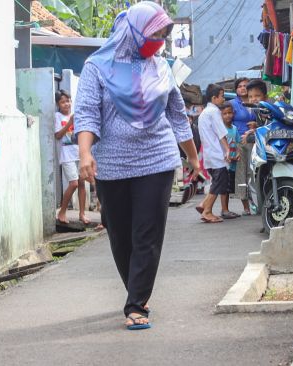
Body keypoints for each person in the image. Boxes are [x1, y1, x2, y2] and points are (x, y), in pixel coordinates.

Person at [74, 2, 200, 331]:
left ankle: (137, 302)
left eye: (162, 35)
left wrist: (192, 156)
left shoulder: (160, 68)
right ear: (134, 31)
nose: (159, 41)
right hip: (112, 163)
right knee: (120, 235)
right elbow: (87, 112)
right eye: (154, 34)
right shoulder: (97, 67)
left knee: (147, 233)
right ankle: (135, 288)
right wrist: (85, 153)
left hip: (157, 158)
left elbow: (177, 115)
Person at [196, 83, 234, 223]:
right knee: (219, 183)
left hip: (209, 153)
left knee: (216, 182)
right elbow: (221, 133)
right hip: (216, 154)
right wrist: (228, 149)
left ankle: (203, 205)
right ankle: (207, 211)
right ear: (214, 98)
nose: (223, 99)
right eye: (222, 96)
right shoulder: (214, 112)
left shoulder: (204, 113)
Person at [54, 90, 90, 225]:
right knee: (73, 183)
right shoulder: (58, 116)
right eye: (63, 102)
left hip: (79, 153)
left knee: (82, 183)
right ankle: (62, 212)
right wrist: (69, 123)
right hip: (67, 156)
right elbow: (58, 135)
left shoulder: (77, 116)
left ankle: (82, 214)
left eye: (68, 101)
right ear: (58, 104)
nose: (66, 104)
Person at [231, 78, 257, 215]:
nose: (243, 88)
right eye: (240, 86)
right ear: (236, 89)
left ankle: (257, 202)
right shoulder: (233, 104)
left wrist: (255, 125)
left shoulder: (254, 102)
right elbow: (226, 121)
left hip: (255, 140)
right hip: (240, 142)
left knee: (253, 173)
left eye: (245, 86)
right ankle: (246, 206)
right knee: (242, 173)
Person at [221, 102, 241, 218]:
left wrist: (237, 153)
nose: (228, 115)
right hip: (224, 162)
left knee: (229, 187)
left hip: (233, 162)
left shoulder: (234, 128)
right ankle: (224, 210)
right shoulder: (220, 129)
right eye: (224, 114)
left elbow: (237, 143)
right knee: (224, 187)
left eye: (229, 113)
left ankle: (226, 210)